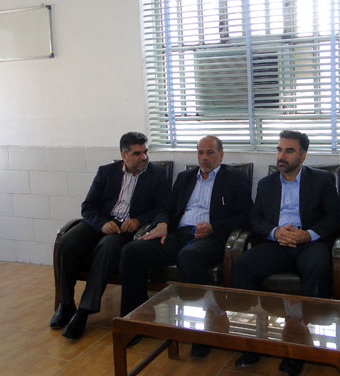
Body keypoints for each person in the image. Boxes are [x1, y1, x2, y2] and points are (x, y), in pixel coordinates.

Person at [119, 135, 252, 354]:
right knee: (132, 251)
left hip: (211, 239)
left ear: (221, 155)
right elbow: (166, 208)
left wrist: (214, 227)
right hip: (178, 234)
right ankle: (136, 320)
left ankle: (204, 332)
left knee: (189, 256)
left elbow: (246, 215)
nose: (204, 158)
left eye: (210, 152)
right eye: (200, 153)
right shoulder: (185, 177)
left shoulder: (234, 178)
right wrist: (162, 223)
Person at [232, 130, 340, 376]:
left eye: (289, 151)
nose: (281, 156)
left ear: (302, 155)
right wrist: (274, 232)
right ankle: (253, 341)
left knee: (318, 267)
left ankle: (300, 348)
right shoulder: (266, 184)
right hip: (277, 243)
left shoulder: (322, 180)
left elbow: (334, 218)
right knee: (242, 265)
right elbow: (255, 218)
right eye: (279, 149)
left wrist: (308, 235)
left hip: (309, 243)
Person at [50, 132, 171, 340]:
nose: (144, 157)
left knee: (107, 247)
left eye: (145, 152)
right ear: (124, 155)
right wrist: (101, 223)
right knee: (65, 243)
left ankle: (84, 312)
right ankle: (67, 304)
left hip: (126, 229)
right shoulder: (106, 172)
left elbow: (162, 208)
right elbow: (88, 207)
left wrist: (138, 220)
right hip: (100, 222)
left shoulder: (157, 175)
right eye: (137, 153)